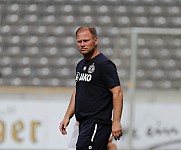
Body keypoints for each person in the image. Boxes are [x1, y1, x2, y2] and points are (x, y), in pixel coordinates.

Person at [59, 26, 123, 150]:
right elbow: (78, 91)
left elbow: (117, 92)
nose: (82, 44)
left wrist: (116, 121)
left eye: (86, 40)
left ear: (95, 41)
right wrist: (67, 116)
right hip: (84, 123)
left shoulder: (104, 64)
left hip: (97, 122)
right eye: (79, 41)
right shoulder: (80, 65)